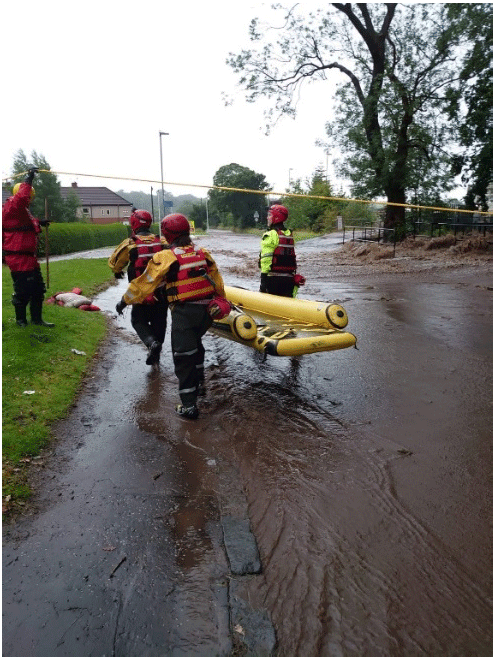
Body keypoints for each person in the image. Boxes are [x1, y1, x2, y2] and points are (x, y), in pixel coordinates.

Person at [115, 213, 230, 420]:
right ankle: (200, 386)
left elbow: (144, 283)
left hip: (185, 314)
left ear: (167, 234)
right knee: (196, 346)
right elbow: (218, 282)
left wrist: (124, 301)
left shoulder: (167, 256)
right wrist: (221, 301)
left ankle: (189, 406)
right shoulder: (203, 252)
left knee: (183, 357)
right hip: (206, 313)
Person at [108, 209, 168, 365]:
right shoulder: (162, 242)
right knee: (159, 323)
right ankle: (157, 352)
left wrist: (117, 272)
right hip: (161, 294)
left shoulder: (130, 244)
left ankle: (151, 343)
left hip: (139, 294)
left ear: (133, 224)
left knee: (138, 321)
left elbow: (115, 263)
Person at [2, 167, 54, 327]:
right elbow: (21, 198)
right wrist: (29, 178)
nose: (30, 199)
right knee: (23, 291)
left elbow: (26, 224)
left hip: (29, 258)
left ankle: (37, 320)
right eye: (30, 196)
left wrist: (40, 222)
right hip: (18, 259)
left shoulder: (22, 211)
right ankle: (21, 321)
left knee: (38, 290)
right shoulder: (12, 207)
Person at [258, 204, 305, 297]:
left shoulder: (270, 234)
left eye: (269, 215)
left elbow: (266, 260)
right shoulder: (289, 234)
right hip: (289, 280)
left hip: (273, 280)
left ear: (276, 217)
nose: (267, 218)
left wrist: (263, 283)